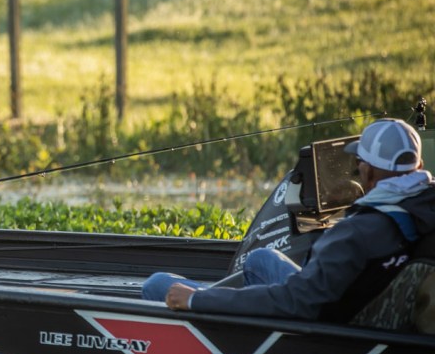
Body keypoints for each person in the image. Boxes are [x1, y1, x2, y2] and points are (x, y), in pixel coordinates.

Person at [142, 118, 435, 321]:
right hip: (357, 302)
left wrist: (197, 300)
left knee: (157, 285)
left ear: (368, 172)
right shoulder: (424, 207)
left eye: (359, 164)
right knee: (260, 259)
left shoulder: (356, 232)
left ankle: (205, 307)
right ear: (419, 165)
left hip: (325, 333)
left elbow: (295, 302)